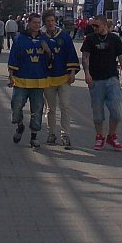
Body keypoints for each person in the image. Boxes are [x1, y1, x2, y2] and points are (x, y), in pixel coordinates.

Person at [81, 14, 122, 151]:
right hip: (96, 80)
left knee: (117, 111)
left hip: (112, 79)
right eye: (93, 26)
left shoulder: (114, 39)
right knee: (98, 112)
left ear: (104, 25)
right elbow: (85, 57)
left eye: (97, 26)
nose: (94, 28)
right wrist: (87, 73)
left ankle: (112, 135)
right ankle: (99, 136)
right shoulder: (90, 39)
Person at [8, 13, 50, 149]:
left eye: (39, 22)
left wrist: (48, 52)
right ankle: (20, 125)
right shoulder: (20, 39)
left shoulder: (44, 39)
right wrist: (11, 76)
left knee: (37, 109)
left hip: (39, 80)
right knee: (16, 106)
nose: (37, 25)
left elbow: (52, 60)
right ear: (29, 23)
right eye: (34, 22)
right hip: (21, 80)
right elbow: (13, 58)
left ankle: (34, 136)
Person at [42, 9, 80, 148]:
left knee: (65, 106)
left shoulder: (64, 36)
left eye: (52, 20)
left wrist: (72, 72)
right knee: (50, 109)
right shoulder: (41, 38)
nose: (50, 23)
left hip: (64, 77)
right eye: (48, 21)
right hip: (48, 78)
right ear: (44, 23)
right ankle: (51, 133)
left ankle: (65, 135)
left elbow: (71, 54)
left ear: (55, 21)